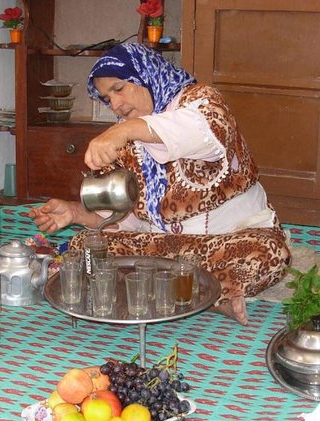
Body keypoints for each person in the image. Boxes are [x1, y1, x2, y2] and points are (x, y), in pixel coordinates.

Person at [29, 43, 291, 324]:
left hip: (229, 241)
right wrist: (75, 212)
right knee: (87, 246)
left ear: (147, 74)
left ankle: (183, 292)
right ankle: (201, 294)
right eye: (107, 99)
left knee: (270, 254)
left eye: (119, 89)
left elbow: (205, 133)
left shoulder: (200, 101)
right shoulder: (126, 138)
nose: (115, 105)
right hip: (166, 249)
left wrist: (124, 130)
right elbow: (127, 218)